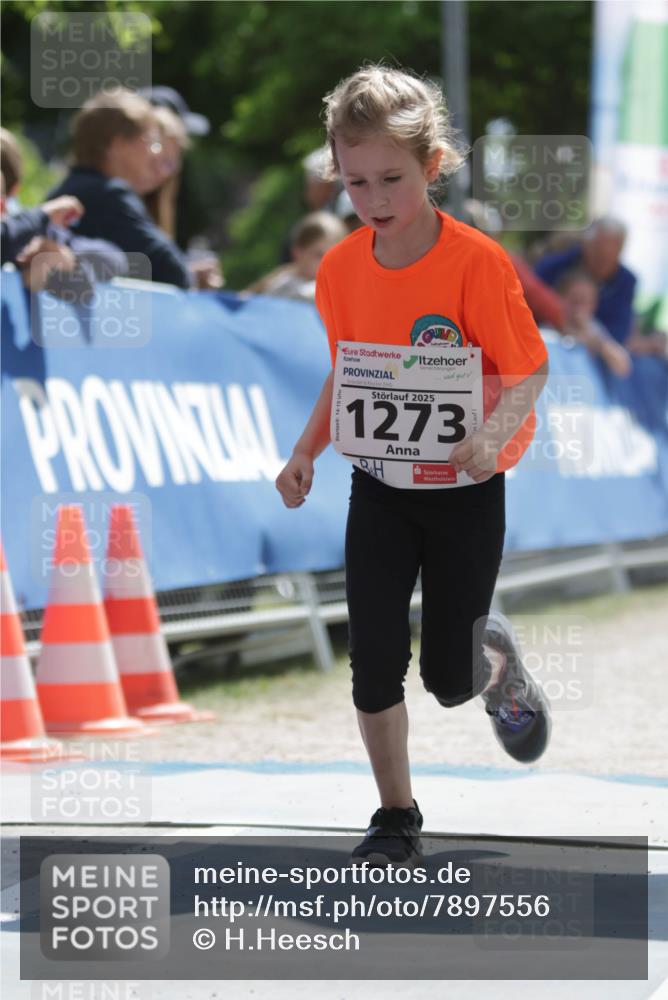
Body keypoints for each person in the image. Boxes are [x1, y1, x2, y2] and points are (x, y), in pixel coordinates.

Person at [275, 65, 553, 867]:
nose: (373, 199)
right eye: (355, 182)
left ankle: (493, 664)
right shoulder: (338, 270)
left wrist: (489, 438)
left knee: (448, 680)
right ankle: (395, 813)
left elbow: (527, 368)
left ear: (432, 167)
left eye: (391, 178)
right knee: (373, 657)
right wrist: (304, 451)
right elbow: (349, 372)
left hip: (465, 490)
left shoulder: (476, 263)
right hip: (382, 487)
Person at [47, 89, 193, 289]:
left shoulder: (62, 192)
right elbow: (173, 271)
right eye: (151, 142)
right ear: (118, 146)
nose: (154, 155)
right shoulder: (110, 195)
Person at [535, 218, 637, 345]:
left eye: (610, 256)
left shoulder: (626, 281)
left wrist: (593, 337)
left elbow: (619, 333)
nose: (602, 263)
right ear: (586, 245)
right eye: (599, 253)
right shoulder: (553, 267)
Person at [246, 212, 346, 302]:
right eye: (319, 255)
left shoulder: (328, 293)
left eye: (332, 258)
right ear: (298, 251)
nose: (326, 264)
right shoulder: (280, 280)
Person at [557, 268, 632, 377]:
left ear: (593, 305)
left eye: (584, 301)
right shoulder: (549, 325)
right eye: (574, 299)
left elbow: (623, 367)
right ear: (559, 297)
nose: (578, 307)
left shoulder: (594, 329)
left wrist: (596, 342)